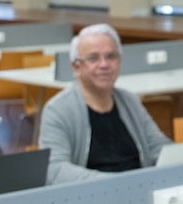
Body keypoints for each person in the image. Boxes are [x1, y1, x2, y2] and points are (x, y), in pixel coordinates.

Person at [39, 23, 170, 182]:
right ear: (76, 67)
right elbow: (55, 169)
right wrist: (112, 183)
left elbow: (159, 148)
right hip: (89, 196)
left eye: (111, 56)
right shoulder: (58, 110)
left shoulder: (129, 101)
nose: (104, 65)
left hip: (138, 189)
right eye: (93, 58)